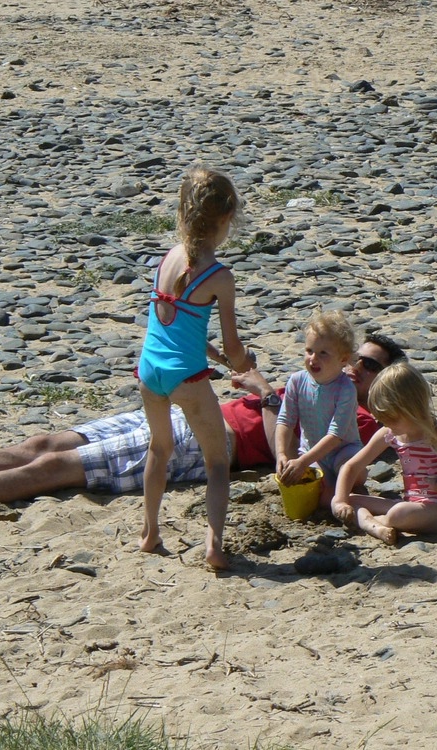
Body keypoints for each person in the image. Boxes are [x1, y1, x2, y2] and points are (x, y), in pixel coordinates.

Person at [0, 334, 406, 538]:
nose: (358, 369)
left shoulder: (359, 420)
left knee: (60, 471)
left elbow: (286, 448)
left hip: (211, 444)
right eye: (356, 358)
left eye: (371, 367)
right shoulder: (313, 379)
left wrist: (263, 392)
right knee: (48, 444)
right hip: (195, 411)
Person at [133, 164, 255, 569]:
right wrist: (242, 363)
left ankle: (150, 532)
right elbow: (234, 345)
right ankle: (214, 546)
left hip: (150, 371)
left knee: (159, 448)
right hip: (186, 376)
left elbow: (175, 321)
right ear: (225, 221)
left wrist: (215, 356)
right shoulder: (219, 276)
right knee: (217, 461)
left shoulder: (168, 259)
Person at [331, 361, 437, 546]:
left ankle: (372, 523)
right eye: (383, 419)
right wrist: (340, 501)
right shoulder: (390, 433)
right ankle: (379, 529)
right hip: (410, 502)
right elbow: (351, 466)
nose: (386, 424)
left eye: (391, 418)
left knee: (399, 513)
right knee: (351, 499)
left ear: (412, 409)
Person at [275, 310, 363, 502]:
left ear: (343, 359)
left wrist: (302, 462)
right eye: (309, 351)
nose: (313, 358)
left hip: (344, 450)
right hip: (311, 453)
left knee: (351, 470)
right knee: (313, 492)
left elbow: (336, 435)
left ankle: (346, 494)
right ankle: (335, 493)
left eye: (323, 353)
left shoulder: (345, 388)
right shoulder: (297, 381)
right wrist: (281, 453)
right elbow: (285, 420)